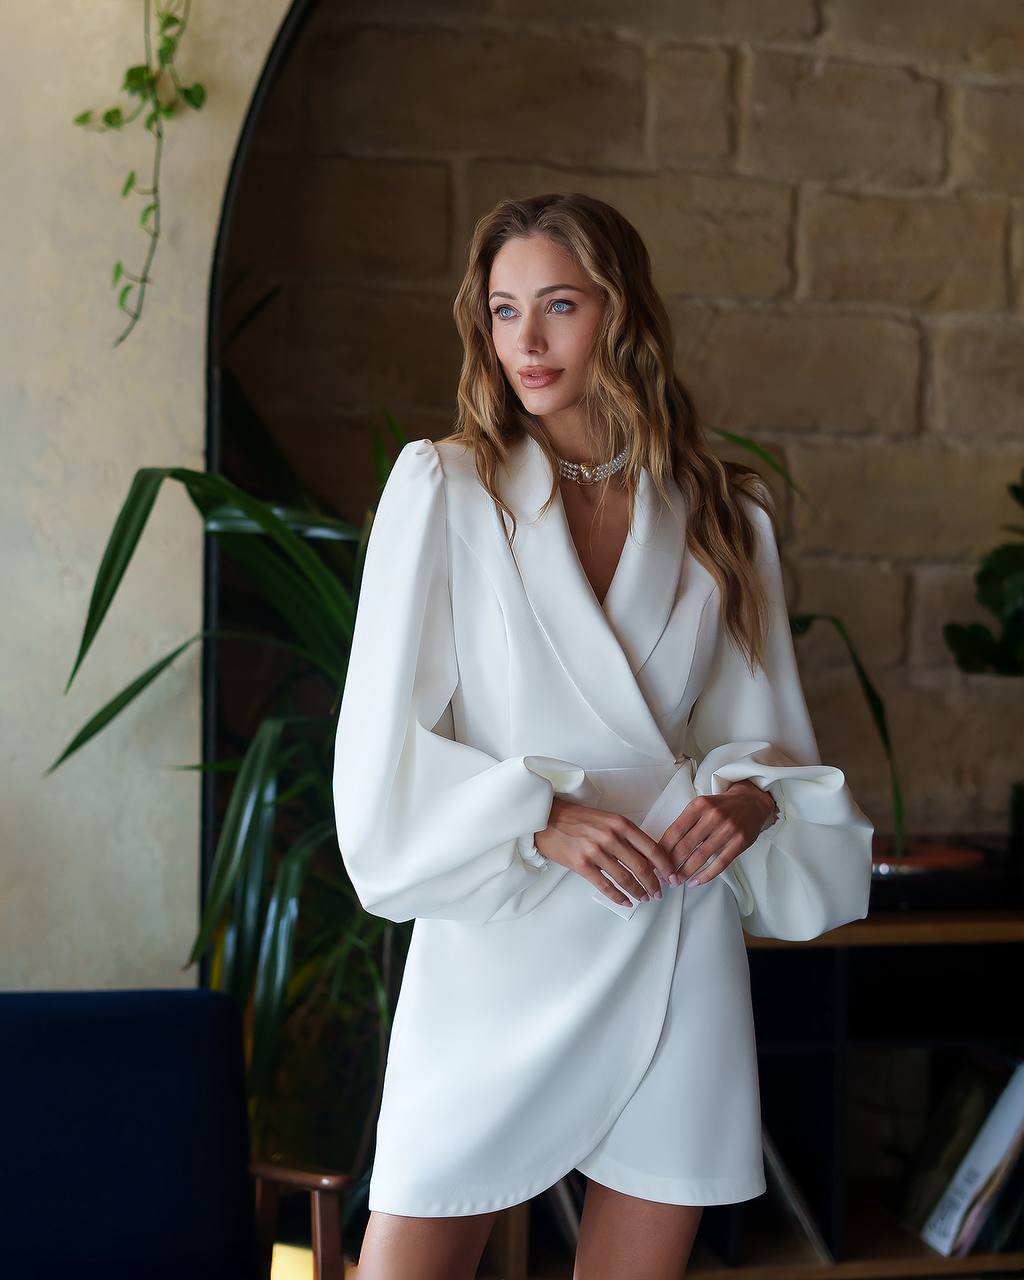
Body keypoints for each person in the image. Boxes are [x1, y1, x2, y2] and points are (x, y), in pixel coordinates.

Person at [332, 193, 874, 1280]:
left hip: (671, 921)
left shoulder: (724, 510)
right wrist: (537, 817)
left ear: (618, 314)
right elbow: (383, 745)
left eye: (558, 305)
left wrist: (748, 798)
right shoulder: (445, 489)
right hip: (502, 924)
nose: (525, 341)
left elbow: (756, 736)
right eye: (502, 310)